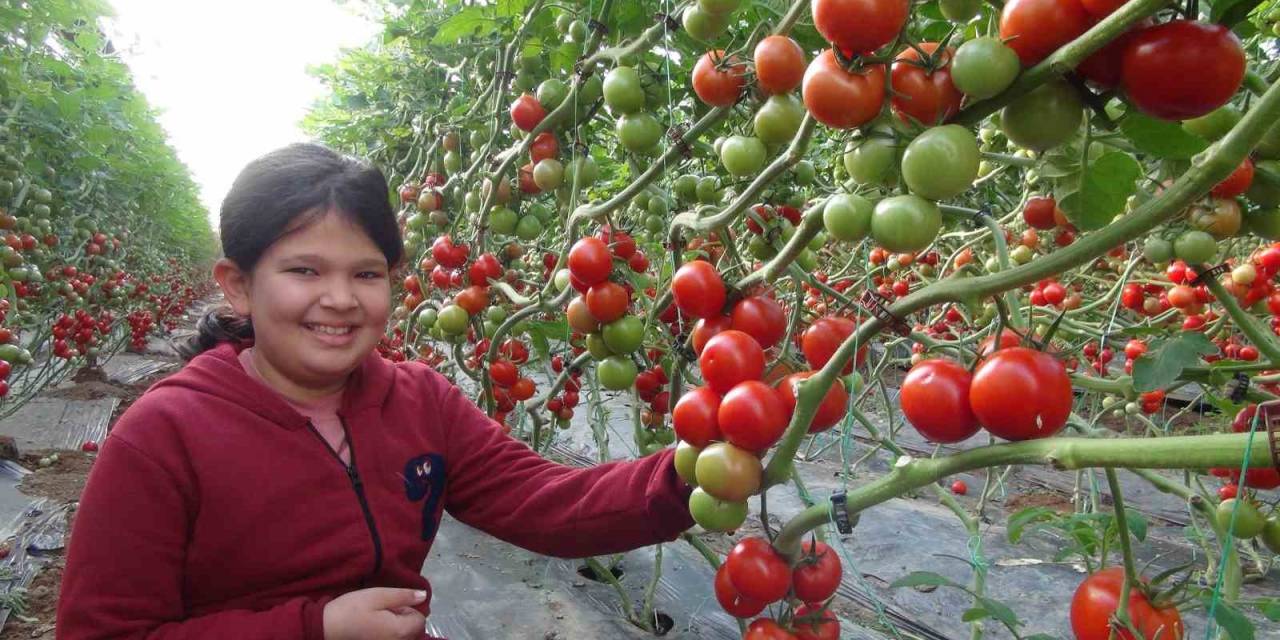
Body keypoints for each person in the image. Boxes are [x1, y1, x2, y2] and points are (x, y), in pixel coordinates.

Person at [56, 143, 695, 639]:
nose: (339, 299)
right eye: (304, 270)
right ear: (238, 285)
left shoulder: (419, 400)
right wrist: (317, 628)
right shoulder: (163, 436)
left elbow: (544, 501)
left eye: (366, 273)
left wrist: (696, 472)